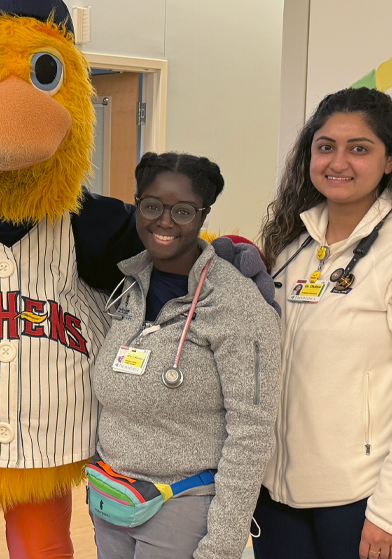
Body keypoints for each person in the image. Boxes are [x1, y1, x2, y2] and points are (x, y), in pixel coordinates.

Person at [255, 87, 392, 559]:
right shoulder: (295, 249)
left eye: (360, 148)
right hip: (278, 495)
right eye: (325, 146)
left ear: (391, 160)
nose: (338, 162)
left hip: (363, 499)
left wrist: (391, 514)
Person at [90, 152, 281, 559]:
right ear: (137, 204)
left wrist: (223, 545)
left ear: (203, 215)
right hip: (112, 497)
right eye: (152, 206)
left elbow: (252, 434)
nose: (164, 221)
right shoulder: (126, 287)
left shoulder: (235, 305)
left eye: (182, 211)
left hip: (182, 507)